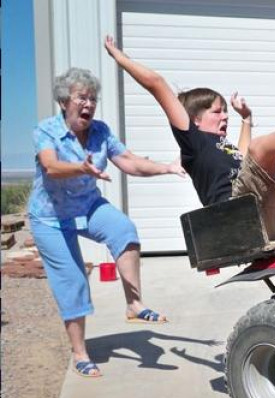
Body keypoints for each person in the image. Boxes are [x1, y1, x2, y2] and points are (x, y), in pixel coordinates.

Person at [104, 36, 275, 240]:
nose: (225, 116)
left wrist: (246, 118)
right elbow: (157, 84)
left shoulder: (224, 147)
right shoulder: (194, 142)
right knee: (260, 148)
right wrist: (120, 57)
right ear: (195, 119)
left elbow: (246, 162)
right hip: (239, 217)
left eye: (225, 111)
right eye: (216, 112)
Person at [31, 67, 185, 378]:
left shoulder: (100, 131)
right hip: (50, 217)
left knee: (123, 229)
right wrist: (81, 168)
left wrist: (166, 168)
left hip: (87, 206)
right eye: (81, 98)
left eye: (92, 99)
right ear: (64, 101)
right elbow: (50, 166)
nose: (88, 104)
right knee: (73, 281)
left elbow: (129, 161)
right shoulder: (46, 130)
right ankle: (80, 353)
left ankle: (134, 304)